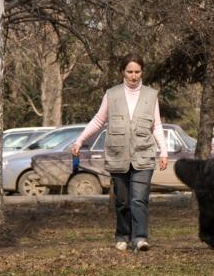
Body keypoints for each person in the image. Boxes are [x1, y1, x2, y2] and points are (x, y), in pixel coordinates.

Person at [71, 54, 167, 252]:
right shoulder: (112, 94)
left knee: (139, 199)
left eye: (137, 72)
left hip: (143, 154)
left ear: (142, 72)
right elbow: (98, 120)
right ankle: (122, 235)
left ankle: (140, 238)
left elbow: (156, 126)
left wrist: (163, 152)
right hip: (118, 155)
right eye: (129, 71)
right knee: (123, 201)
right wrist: (80, 140)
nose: (133, 76)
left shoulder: (151, 95)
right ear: (123, 72)